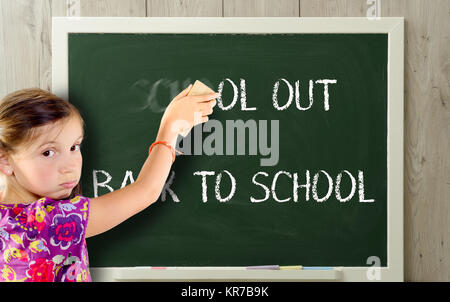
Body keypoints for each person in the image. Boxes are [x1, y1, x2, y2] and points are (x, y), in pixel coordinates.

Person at [0, 85, 218, 281]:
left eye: (74, 147)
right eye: (48, 152)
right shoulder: (51, 221)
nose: (69, 166)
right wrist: (171, 127)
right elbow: (146, 191)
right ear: (5, 160)